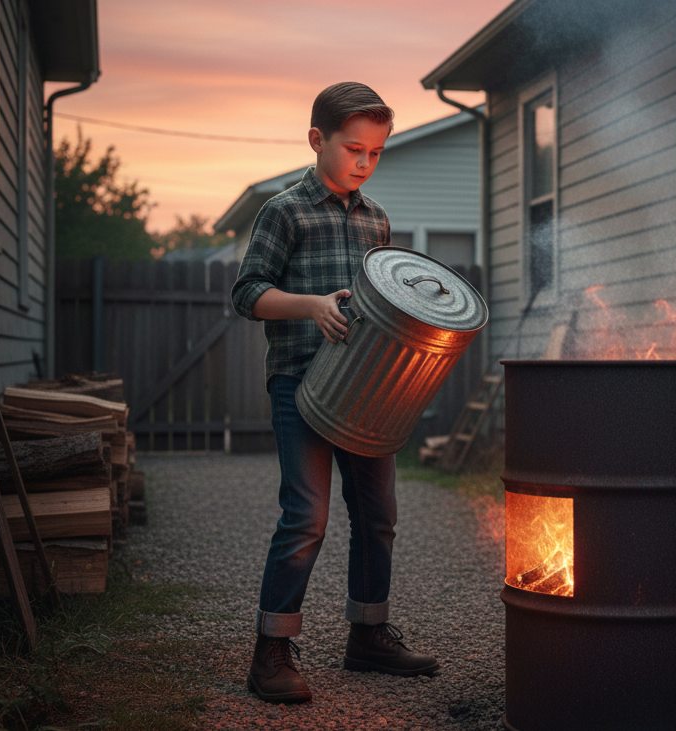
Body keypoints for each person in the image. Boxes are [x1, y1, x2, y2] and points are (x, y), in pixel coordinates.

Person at [230, 82, 438, 704]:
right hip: (301, 382)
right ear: (317, 139)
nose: (365, 163)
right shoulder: (284, 211)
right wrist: (312, 306)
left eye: (376, 152)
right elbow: (247, 293)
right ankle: (271, 651)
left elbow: (382, 302)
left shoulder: (376, 218)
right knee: (307, 518)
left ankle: (368, 636)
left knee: (379, 516)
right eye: (354, 149)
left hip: (367, 390)